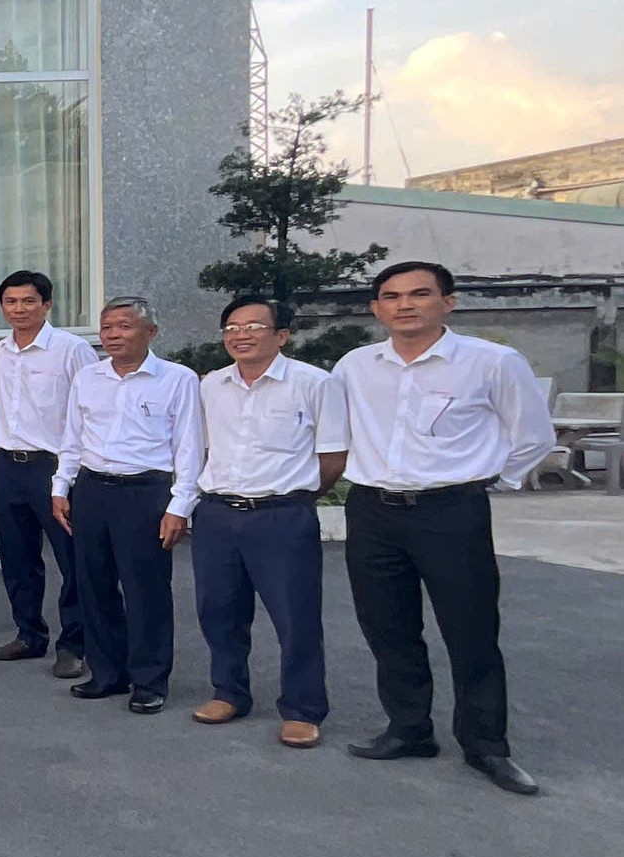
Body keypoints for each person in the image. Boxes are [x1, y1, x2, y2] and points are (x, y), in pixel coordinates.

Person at [335, 261, 555, 795]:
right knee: (388, 626)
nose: (404, 305)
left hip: (451, 512)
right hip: (372, 510)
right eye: (391, 297)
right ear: (376, 308)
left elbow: (533, 435)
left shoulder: (492, 362)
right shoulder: (355, 366)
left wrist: (489, 482)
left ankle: (486, 746)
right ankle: (408, 729)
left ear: (447, 302)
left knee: (470, 630)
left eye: (419, 294)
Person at [193, 296, 345, 749]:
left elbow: (333, 456)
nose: (241, 335)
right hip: (218, 513)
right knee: (218, 610)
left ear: (281, 335)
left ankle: (302, 709)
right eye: (232, 327)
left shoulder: (315, 383)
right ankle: (229, 692)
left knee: (295, 616)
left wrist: (296, 497)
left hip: (282, 516)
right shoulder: (211, 385)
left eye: (254, 326)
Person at [50, 296, 202, 716]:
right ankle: (107, 672)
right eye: (106, 327)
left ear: (150, 332)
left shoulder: (178, 379)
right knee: (94, 585)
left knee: (145, 589)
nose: (113, 335)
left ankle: (149, 680)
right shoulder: (88, 378)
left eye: (124, 326)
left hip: (144, 492)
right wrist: (61, 486)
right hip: (92, 489)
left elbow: (190, 447)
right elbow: (72, 437)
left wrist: (180, 505)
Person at [0, 270, 97, 680]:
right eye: (11, 302)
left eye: (29, 301)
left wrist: (72, 472)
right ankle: (29, 634)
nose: (19, 309)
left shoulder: (71, 349)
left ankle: (75, 644)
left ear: (47, 305)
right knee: (18, 558)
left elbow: (91, 409)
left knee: (71, 559)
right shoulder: (1, 351)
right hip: (9, 465)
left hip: (55, 467)